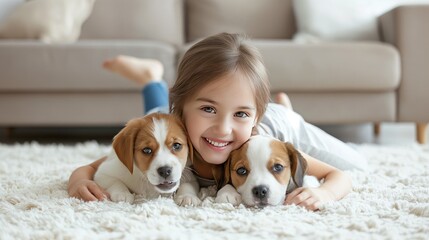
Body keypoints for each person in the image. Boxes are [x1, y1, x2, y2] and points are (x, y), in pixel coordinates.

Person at [68, 33, 367, 211]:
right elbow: (96, 166)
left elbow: (340, 175)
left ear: (254, 118)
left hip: (281, 123)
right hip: (175, 119)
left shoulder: (258, 139)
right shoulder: (174, 130)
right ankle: (150, 79)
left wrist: (325, 192)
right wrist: (80, 181)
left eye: (240, 114)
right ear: (181, 109)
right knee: (152, 124)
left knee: (358, 163)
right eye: (209, 109)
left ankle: (284, 108)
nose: (223, 129)